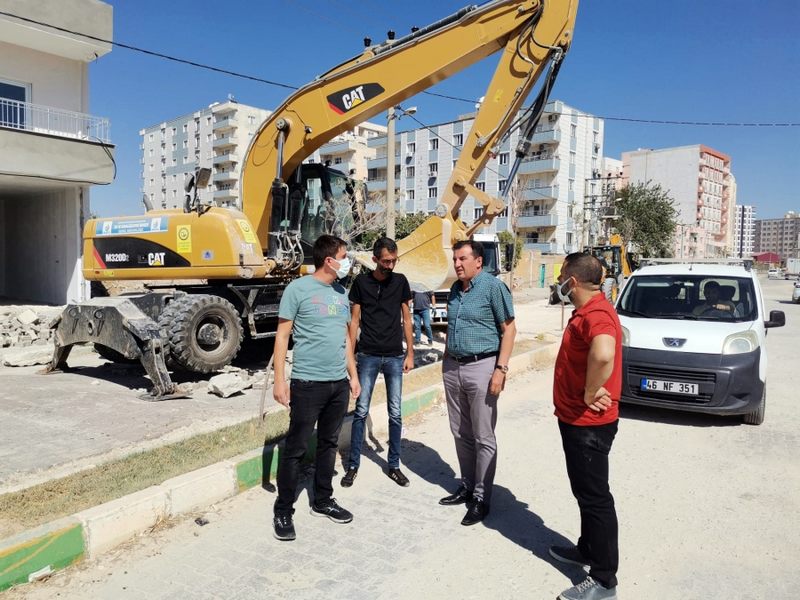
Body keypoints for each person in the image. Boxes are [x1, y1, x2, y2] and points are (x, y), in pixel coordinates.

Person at [272, 234, 360, 542]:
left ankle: (323, 500)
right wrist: (279, 380)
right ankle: (283, 508)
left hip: (338, 384)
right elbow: (282, 337)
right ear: (329, 260)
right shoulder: (298, 290)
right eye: (344, 256)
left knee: (329, 444)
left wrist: (353, 374)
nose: (347, 261)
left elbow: (346, 338)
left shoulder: (340, 292)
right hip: (308, 383)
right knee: (296, 447)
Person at [549, 252, 622, 600]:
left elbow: (604, 352)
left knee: (595, 498)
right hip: (575, 420)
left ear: (572, 281)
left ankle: (605, 580)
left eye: (562, 274)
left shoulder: (596, 314)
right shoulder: (588, 310)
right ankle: (588, 549)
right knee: (585, 493)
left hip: (588, 424)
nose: (560, 280)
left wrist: (591, 390)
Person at [439, 240, 516, 526]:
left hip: (483, 366)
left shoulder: (493, 287)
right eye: (455, 259)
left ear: (478, 262)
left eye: (462, 259)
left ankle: (482, 497)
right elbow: (451, 327)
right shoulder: (456, 290)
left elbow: (509, 329)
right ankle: (468, 486)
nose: (457, 264)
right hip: (453, 366)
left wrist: (501, 369)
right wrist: (447, 360)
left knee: (483, 436)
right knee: (460, 432)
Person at [341, 237, 414, 488]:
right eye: (385, 262)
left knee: (395, 413)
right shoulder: (361, 283)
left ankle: (394, 465)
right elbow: (354, 321)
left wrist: (410, 353)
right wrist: (350, 357)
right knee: (361, 411)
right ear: (374, 260)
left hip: (394, 356)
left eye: (394, 261)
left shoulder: (401, 282)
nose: (390, 265)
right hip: (368, 356)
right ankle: (353, 465)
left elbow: (407, 318)